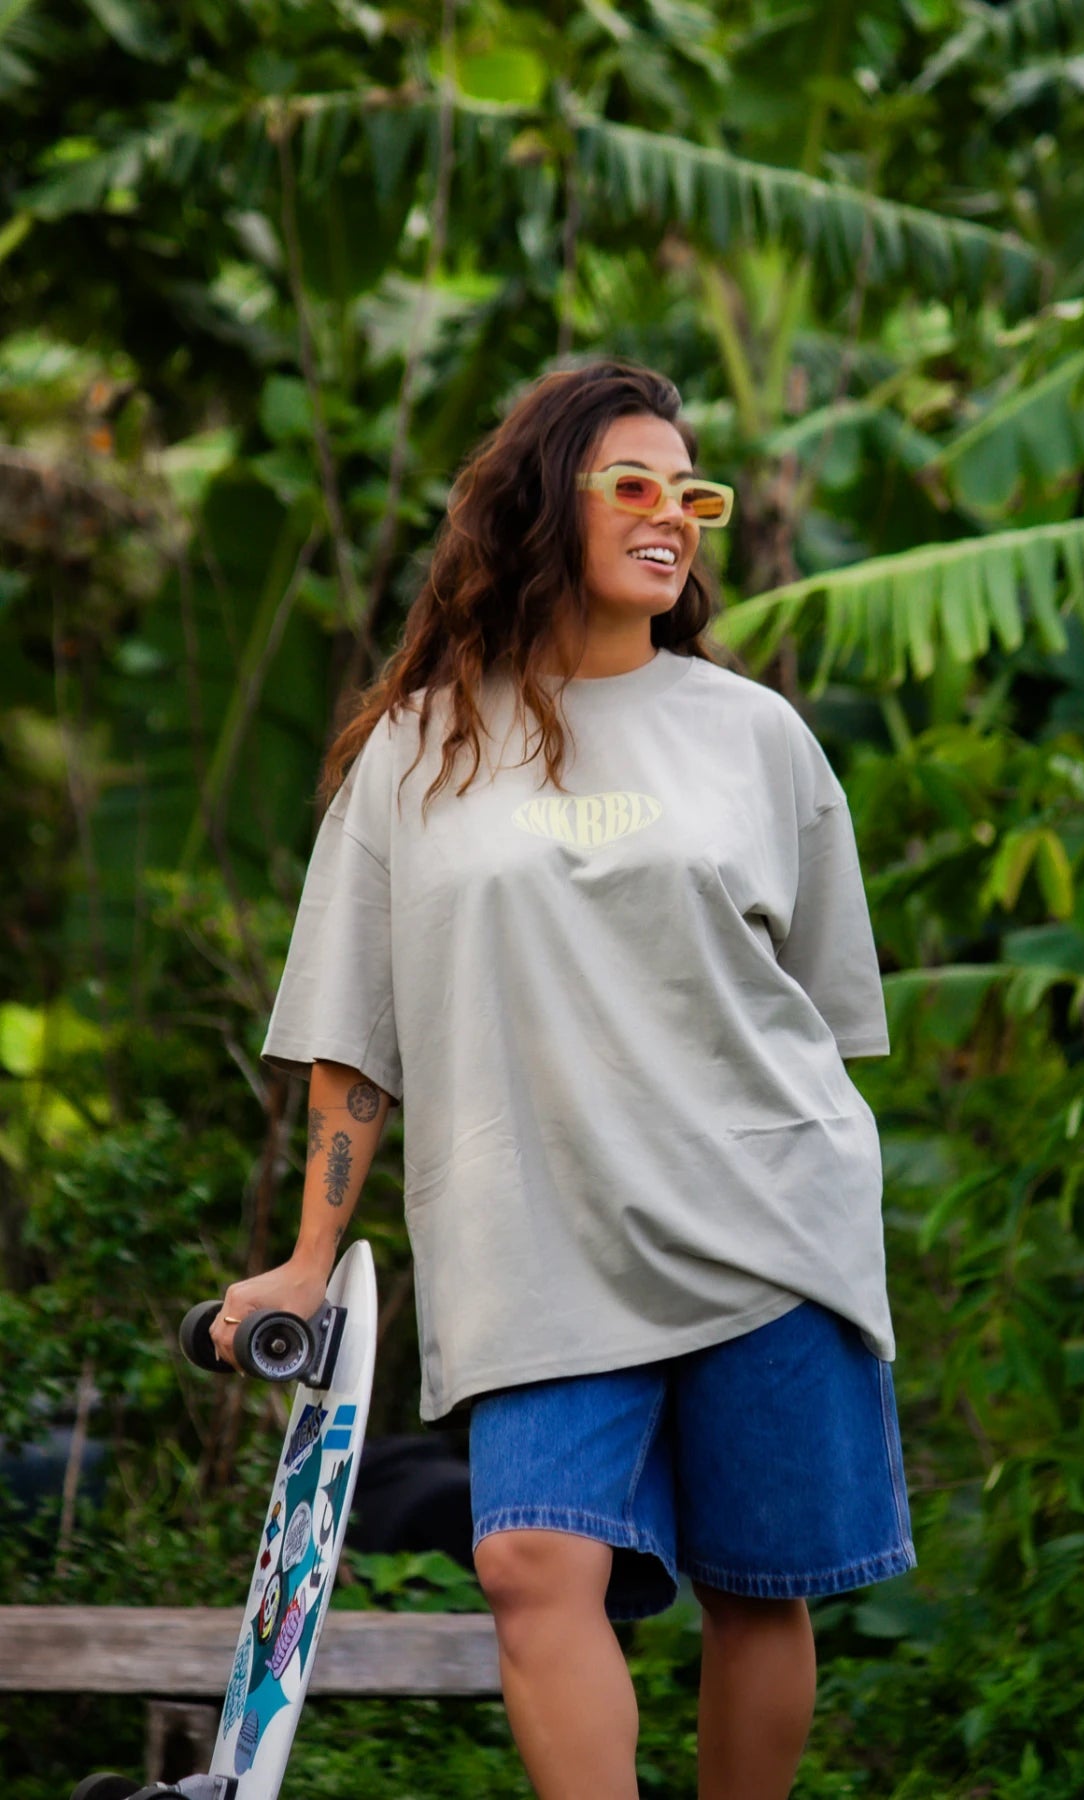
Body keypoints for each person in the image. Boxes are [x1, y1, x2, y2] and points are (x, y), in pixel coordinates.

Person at [210, 360, 916, 1800]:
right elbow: (356, 1031)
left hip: (766, 1218)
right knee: (533, 1561)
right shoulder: (420, 750)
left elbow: (822, 1010)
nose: (674, 517)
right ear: (546, 504)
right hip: (529, 1237)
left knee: (753, 1584)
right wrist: (303, 1262)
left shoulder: (755, 735)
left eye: (693, 493)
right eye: (634, 486)